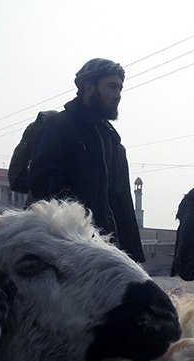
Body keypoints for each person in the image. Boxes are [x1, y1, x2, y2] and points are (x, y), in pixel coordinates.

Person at [28, 58, 145, 263]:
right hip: (69, 252)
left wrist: (132, 257)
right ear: (89, 87)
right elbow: (44, 185)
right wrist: (82, 227)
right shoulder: (59, 127)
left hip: (108, 252)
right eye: (111, 87)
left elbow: (122, 202)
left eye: (119, 88)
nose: (117, 95)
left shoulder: (112, 139)